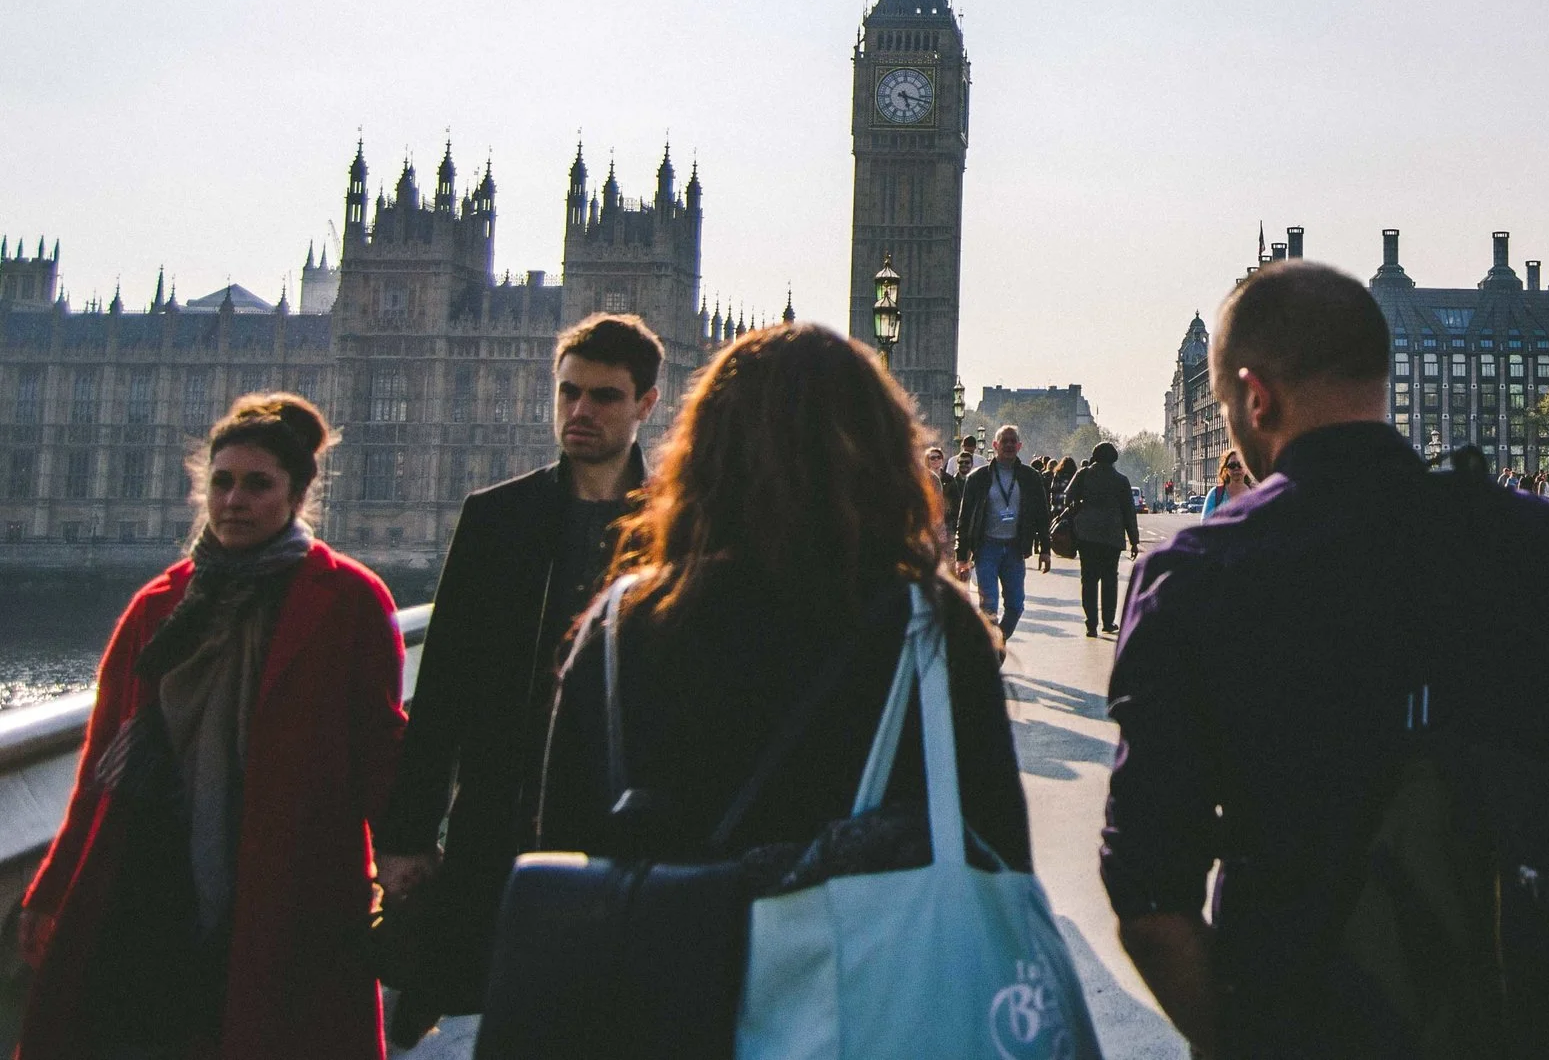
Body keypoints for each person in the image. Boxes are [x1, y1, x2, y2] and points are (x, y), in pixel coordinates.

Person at [1101, 261, 1549, 1057]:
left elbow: (1145, 889)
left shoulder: (1194, 580)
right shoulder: (1545, 547)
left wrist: (1249, 1040)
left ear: (1254, 395)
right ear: (1379, 376)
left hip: (1306, 1012)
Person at [535, 319, 1031, 914]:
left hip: (670, 981)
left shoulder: (626, 622)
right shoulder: (930, 623)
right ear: (878, 454)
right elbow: (1001, 865)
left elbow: (564, 854)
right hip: (867, 986)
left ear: (705, 451)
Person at [18, 394, 406, 1059]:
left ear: (296, 494)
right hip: (158, 880)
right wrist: (52, 889)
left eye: (258, 484)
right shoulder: (161, 605)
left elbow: (381, 751)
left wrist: (406, 861)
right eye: (221, 482)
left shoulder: (348, 599)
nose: (234, 500)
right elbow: (98, 770)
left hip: (293, 887)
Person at [370, 314, 663, 1042]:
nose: (579, 412)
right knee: (494, 1020)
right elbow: (441, 690)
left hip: (626, 824)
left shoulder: (678, 527)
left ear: (646, 404)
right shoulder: (497, 517)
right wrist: (407, 834)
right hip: (500, 819)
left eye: (603, 396)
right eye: (568, 393)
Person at [954, 423, 1050, 638]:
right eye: (1003, 441)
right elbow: (965, 518)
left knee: (1016, 605)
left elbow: (1042, 515)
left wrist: (1045, 549)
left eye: (1012, 441)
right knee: (988, 607)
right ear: (995, 445)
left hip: (1015, 548)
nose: (1008, 445)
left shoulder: (1030, 477)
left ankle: (998, 641)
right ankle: (990, 651)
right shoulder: (977, 478)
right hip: (987, 547)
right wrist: (961, 557)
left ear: (1019, 446)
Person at [1065, 441, 1143, 638]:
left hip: (1087, 534)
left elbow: (1067, 497)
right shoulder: (1121, 480)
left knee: (1088, 579)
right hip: (1112, 534)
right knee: (1110, 578)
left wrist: (1080, 509)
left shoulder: (1083, 474)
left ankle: (1091, 623)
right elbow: (1128, 513)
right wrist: (1134, 540)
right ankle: (1108, 622)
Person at [1202, 449, 1252, 519]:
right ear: (1226, 470)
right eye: (1232, 465)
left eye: (1240, 464)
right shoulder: (1215, 494)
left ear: (1247, 467)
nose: (1236, 468)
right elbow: (1205, 523)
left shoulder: (1256, 493)